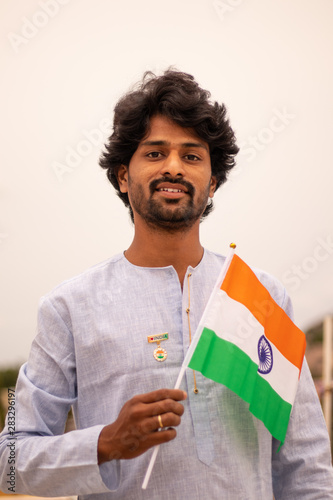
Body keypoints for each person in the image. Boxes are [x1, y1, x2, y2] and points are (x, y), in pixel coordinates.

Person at [0, 70, 332, 499]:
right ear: (123, 176)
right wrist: (104, 443)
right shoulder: (70, 307)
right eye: (155, 153)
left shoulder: (259, 296)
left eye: (192, 156)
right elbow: (9, 460)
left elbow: (306, 459)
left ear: (212, 184)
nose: (174, 166)